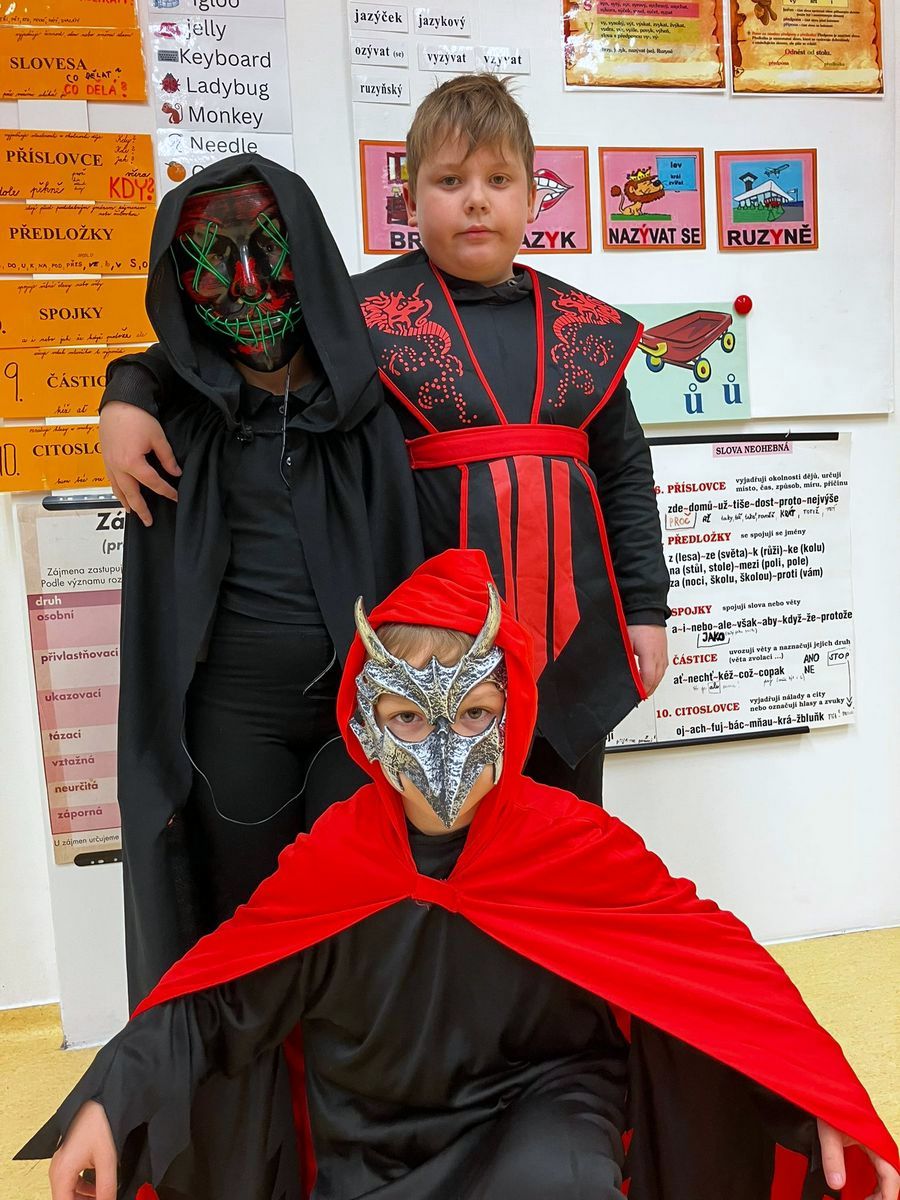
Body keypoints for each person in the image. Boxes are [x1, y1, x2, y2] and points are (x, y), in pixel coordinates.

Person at [20, 550, 899, 1200]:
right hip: (374, 1139)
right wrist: (110, 1101)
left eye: (474, 712)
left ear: (510, 712)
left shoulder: (570, 843)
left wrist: (813, 1094)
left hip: (546, 1106)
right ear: (367, 722)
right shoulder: (337, 857)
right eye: (407, 716)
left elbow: (712, 968)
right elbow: (220, 998)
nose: (443, 745)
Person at [97, 76, 669, 808]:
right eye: (450, 181)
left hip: (574, 636)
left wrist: (645, 610)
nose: (476, 200)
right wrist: (128, 389)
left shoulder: (589, 331)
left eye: (499, 180)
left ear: (534, 197)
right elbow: (217, 345)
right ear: (408, 201)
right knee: (442, 839)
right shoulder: (360, 319)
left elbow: (624, 475)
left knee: (565, 828)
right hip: (427, 650)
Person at [104, 155, 422, 1006]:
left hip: (360, 714)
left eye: (269, 253)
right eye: (214, 261)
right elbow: (165, 360)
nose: (247, 285)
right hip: (232, 721)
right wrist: (127, 384)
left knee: (365, 931)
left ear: (308, 256)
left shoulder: (374, 401)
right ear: (181, 284)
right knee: (249, 935)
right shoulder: (175, 421)